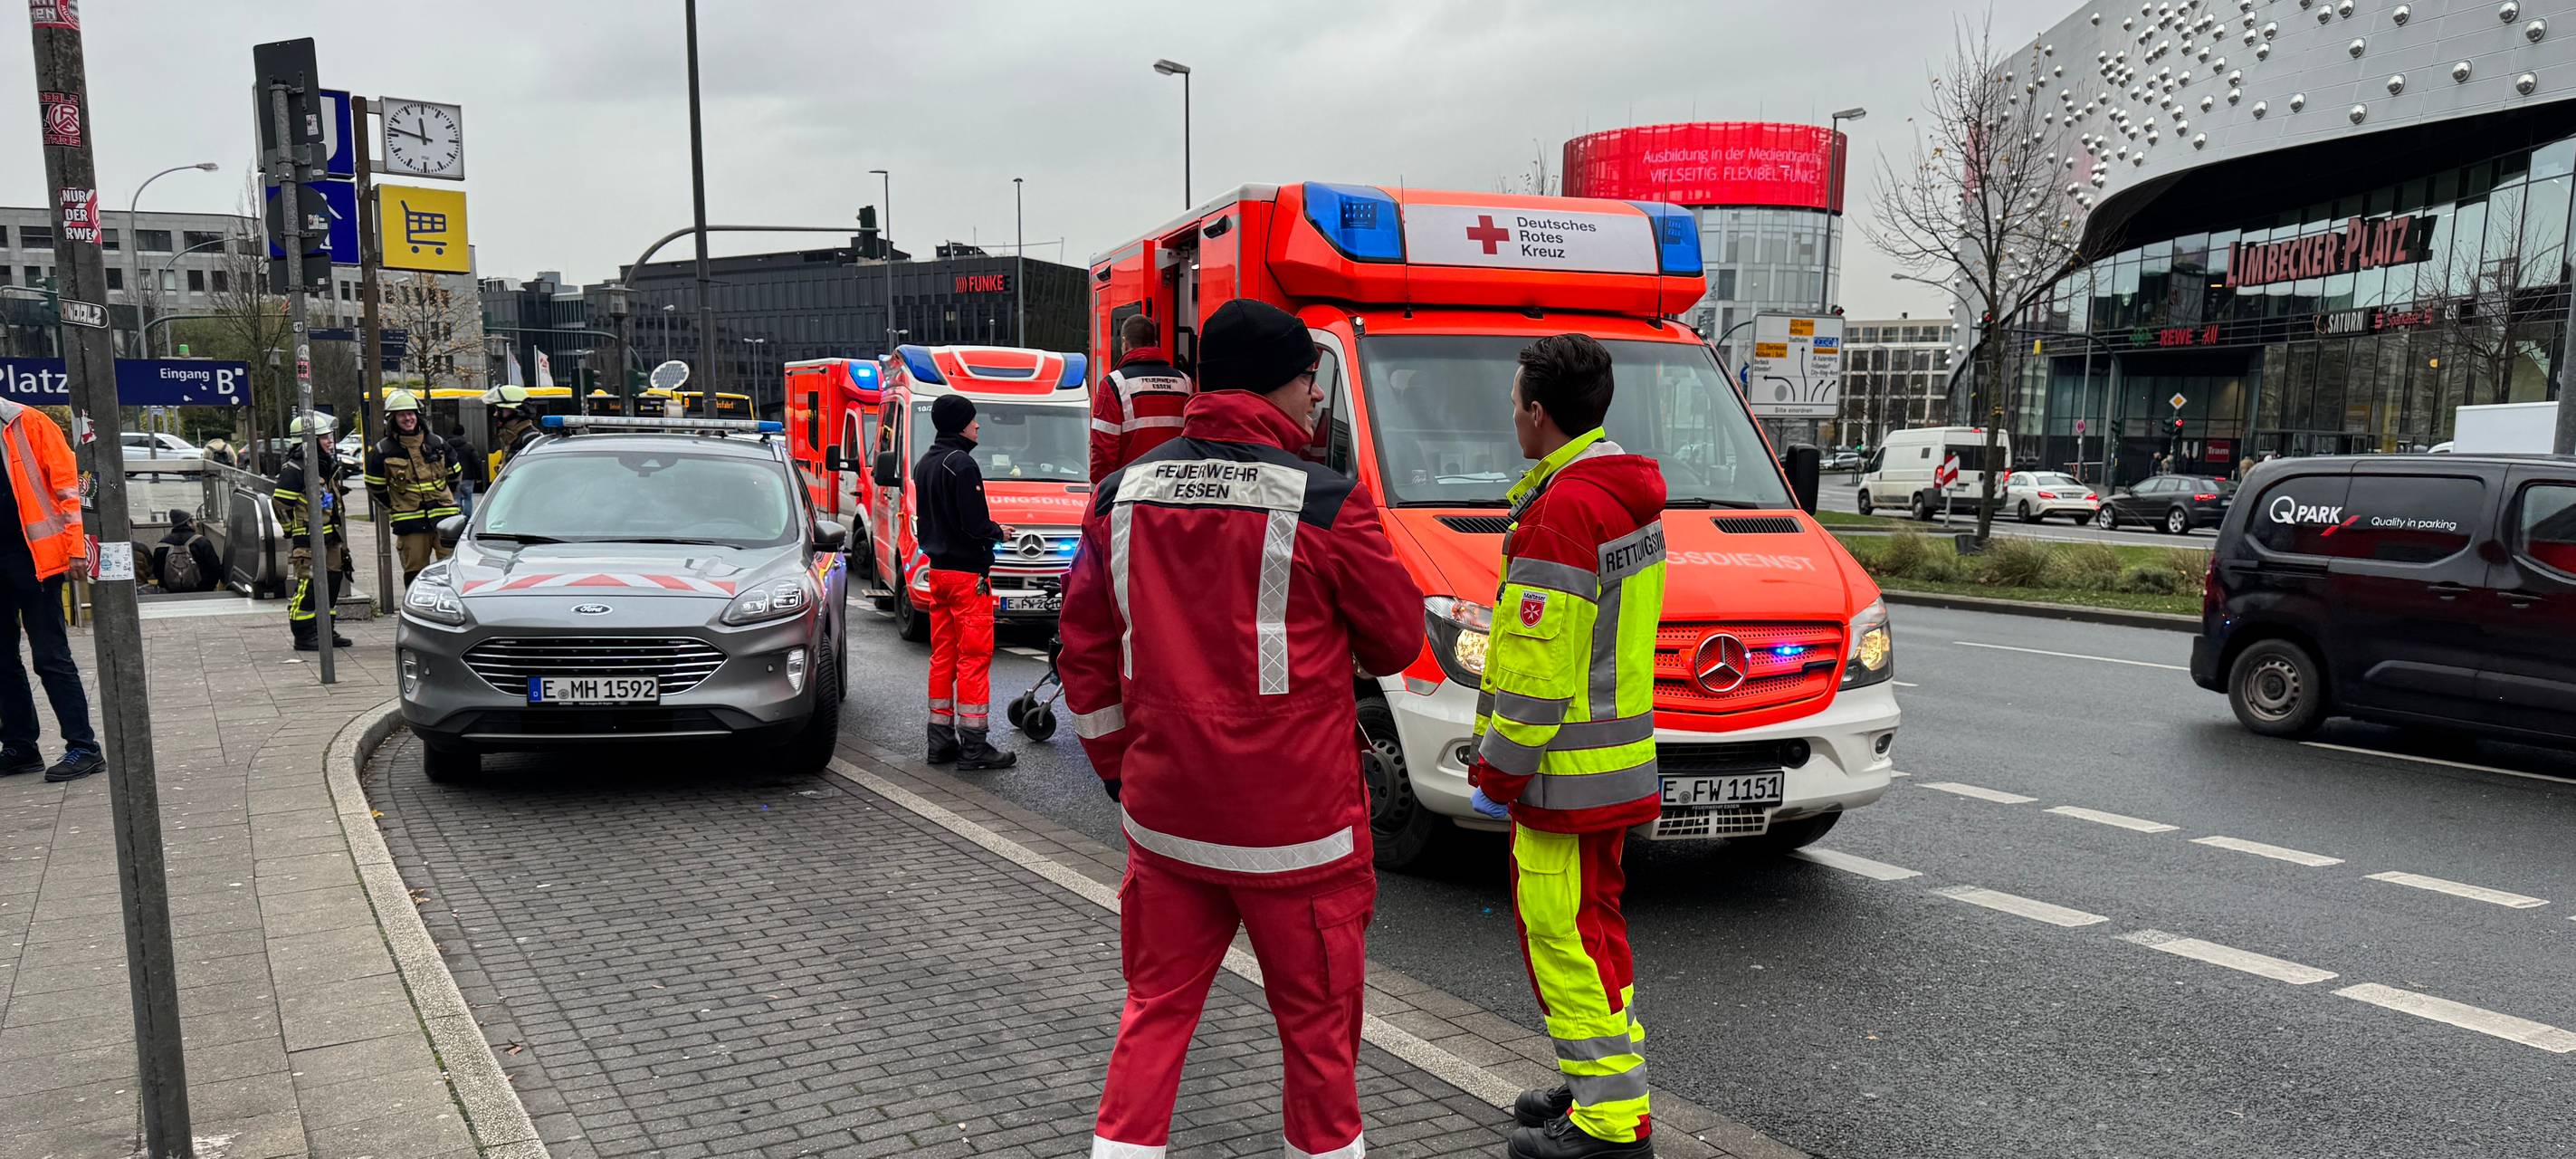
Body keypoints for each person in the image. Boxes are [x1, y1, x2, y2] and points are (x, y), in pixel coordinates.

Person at [1060, 298, 1424, 1159]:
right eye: (1310, 380)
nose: (1315, 400)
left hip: (1167, 821)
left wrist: (1121, 769)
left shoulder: (1120, 496)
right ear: (1282, 383)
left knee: (1155, 1015)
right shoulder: (1327, 501)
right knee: (1318, 1037)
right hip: (1299, 836)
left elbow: (1083, 653)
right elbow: (1399, 637)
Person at [1465, 334, 1666, 1159]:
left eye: (1516, 401)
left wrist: (1497, 773)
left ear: (1539, 413)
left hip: (1563, 778)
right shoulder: (1619, 494)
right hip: (1608, 766)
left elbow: (1540, 678)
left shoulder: (1564, 510)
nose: (1512, 413)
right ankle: (1596, 1085)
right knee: (1594, 930)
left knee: (1565, 938)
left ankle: (1611, 1127)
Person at [0, 398, 102, 783]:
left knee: (50, 655)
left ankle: (83, 746)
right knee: (2, 660)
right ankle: (19, 745)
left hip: (35, 557)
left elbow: (68, 489)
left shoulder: (30, 423)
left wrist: (76, 548)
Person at [914, 393, 1016, 771]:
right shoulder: (962, 465)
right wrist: (998, 532)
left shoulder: (925, 464)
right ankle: (975, 748)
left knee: (942, 657)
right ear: (960, 424)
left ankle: (939, 743)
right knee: (973, 659)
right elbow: (974, 525)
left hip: (939, 573)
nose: (978, 426)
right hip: (967, 578)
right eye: (973, 420)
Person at [272, 412, 352, 652]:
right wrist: (293, 533)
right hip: (307, 540)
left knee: (332, 582)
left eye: (329, 436)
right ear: (307, 441)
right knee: (307, 586)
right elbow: (280, 505)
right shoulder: (295, 469)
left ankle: (325, 629)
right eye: (324, 437)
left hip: (331, 537)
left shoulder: (325, 465)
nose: (330, 441)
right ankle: (304, 635)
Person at [364, 391, 460, 584]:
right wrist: (396, 506)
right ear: (392, 419)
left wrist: (444, 497)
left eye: (411, 413)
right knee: (415, 576)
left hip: (445, 519)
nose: (408, 418)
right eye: (402, 414)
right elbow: (375, 487)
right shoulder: (383, 451)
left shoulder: (437, 443)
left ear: (418, 415)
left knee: (454, 571)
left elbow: (455, 475)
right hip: (411, 524)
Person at [1088, 311, 1196, 484]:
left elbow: (1103, 452)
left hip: (1132, 494)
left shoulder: (1114, 384)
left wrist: (1098, 497)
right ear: (1155, 343)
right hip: (1174, 492)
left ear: (1125, 343)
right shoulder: (1185, 383)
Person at [150, 509, 223, 594]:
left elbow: (157, 571)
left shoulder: (162, 544)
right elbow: (214, 567)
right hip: (202, 592)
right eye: (194, 521)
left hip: (171, 593)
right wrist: (209, 586)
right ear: (189, 523)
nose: (196, 524)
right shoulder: (201, 542)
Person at [483, 384, 545, 473]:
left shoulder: (531, 439)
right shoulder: (510, 438)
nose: (495, 414)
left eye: (500, 410)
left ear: (516, 411)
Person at [449, 424, 485, 522]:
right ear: (463, 433)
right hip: (468, 477)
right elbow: (477, 462)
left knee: (457, 498)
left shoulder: (447, 446)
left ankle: (457, 518)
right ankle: (467, 518)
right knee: (468, 498)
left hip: (454, 477)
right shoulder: (469, 446)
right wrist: (479, 477)